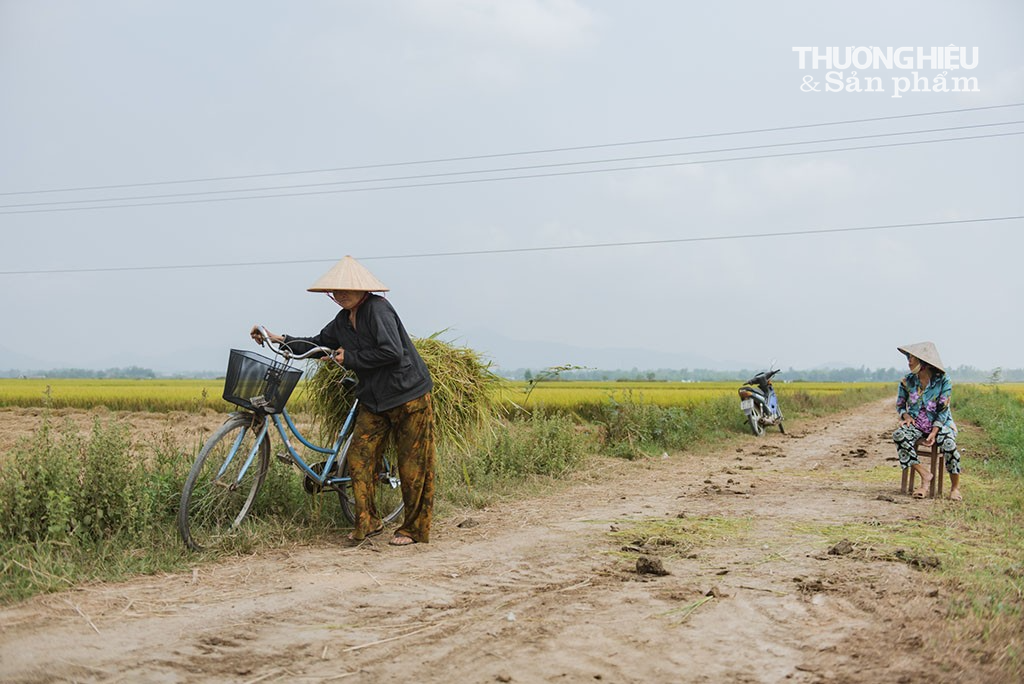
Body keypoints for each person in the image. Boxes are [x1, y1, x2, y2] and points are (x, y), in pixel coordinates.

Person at [251, 255, 436, 546]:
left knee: (412, 465)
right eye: (336, 290)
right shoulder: (341, 321)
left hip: (407, 396)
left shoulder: (377, 310)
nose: (340, 294)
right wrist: (278, 338)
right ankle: (369, 521)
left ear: (362, 289)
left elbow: (392, 352)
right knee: (358, 457)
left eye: (346, 289)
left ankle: (413, 529)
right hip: (374, 400)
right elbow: (316, 344)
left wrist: (350, 357)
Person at [892, 341, 963, 501]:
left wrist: (934, 431)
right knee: (898, 435)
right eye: (908, 357)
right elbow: (900, 405)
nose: (909, 361)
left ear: (924, 362)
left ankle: (955, 488)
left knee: (949, 445)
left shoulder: (943, 380)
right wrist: (906, 416)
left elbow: (943, 410)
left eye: (913, 358)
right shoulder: (907, 381)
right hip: (917, 424)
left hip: (940, 424)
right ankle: (925, 475)